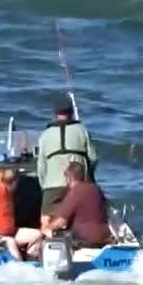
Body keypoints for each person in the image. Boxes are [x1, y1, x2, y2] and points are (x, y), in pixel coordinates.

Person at [36, 96, 97, 230]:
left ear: (55, 114)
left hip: (52, 185)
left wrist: (45, 187)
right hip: (78, 184)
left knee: (46, 220)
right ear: (71, 112)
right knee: (79, 216)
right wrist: (89, 180)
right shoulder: (82, 130)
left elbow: (41, 168)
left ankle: (46, 241)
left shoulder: (45, 135)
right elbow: (93, 158)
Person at [44, 162, 112, 247]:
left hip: (85, 240)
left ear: (70, 177)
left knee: (48, 237)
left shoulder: (75, 191)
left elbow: (61, 221)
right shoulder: (96, 189)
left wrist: (47, 228)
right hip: (105, 237)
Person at [0, 169, 43, 260]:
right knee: (13, 246)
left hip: (12, 232)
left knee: (37, 234)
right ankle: (20, 267)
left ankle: (31, 259)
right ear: (15, 182)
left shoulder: (9, 193)